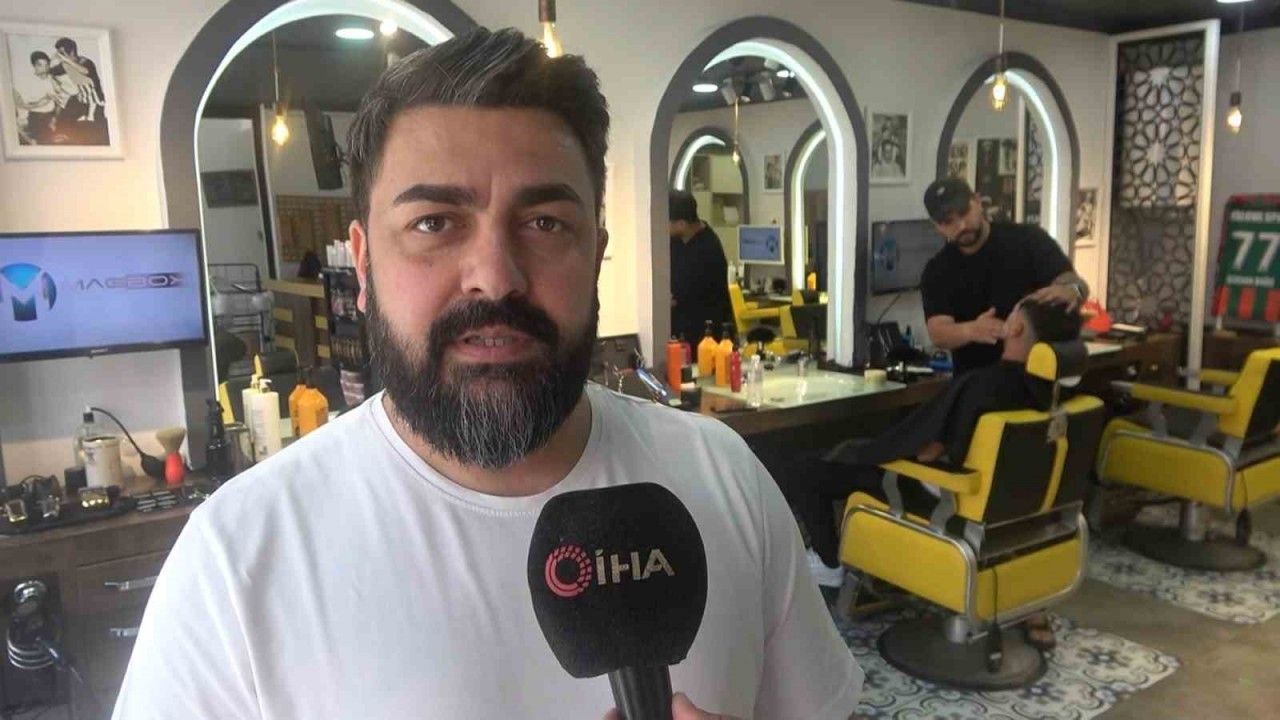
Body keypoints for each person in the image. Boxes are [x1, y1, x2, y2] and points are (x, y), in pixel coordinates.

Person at [113, 29, 861, 720]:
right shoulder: (237, 560)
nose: (495, 277)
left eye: (545, 224)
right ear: (363, 264)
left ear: (596, 253)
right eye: (434, 223)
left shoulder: (724, 478)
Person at [782, 299, 1081, 589]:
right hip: (1011, 508)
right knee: (856, 451)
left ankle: (828, 564)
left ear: (1015, 328)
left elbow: (928, 453)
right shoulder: (1055, 397)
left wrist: (888, 446)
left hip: (946, 498)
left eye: (1014, 312)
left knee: (805, 469)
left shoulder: (983, 386)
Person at [920, 177, 1089, 376]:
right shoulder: (938, 270)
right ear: (937, 226)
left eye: (964, 212)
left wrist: (1072, 290)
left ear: (978, 201)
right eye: (948, 222)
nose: (961, 225)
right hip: (979, 380)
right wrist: (972, 330)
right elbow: (938, 333)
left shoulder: (1028, 240)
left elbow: (1077, 285)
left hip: (1040, 373)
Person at [669, 190, 733, 345]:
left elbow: (689, 293)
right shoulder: (676, 240)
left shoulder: (708, 250)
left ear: (681, 224)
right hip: (679, 328)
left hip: (703, 332)